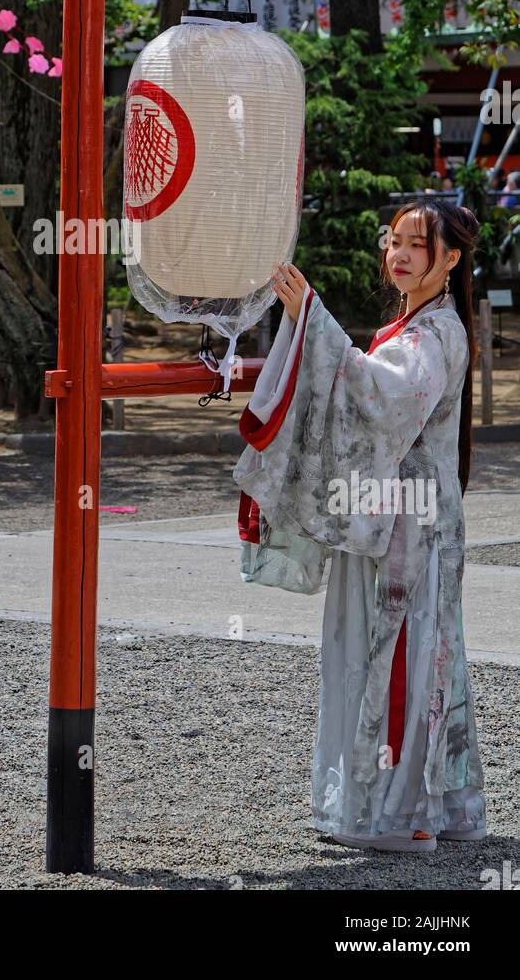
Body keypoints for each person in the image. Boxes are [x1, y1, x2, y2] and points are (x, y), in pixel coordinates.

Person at [233, 199, 486, 853]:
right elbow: (368, 392)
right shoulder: (419, 327)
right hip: (400, 520)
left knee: (391, 662)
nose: (397, 254)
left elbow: (377, 396)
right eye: (393, 241)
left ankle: (399, 819)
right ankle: (435, 809)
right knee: (420, 662)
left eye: (416, 244)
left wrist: (310, 321)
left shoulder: (435, 335)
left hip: (405, 528)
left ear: (451, 258)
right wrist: (313, 325)